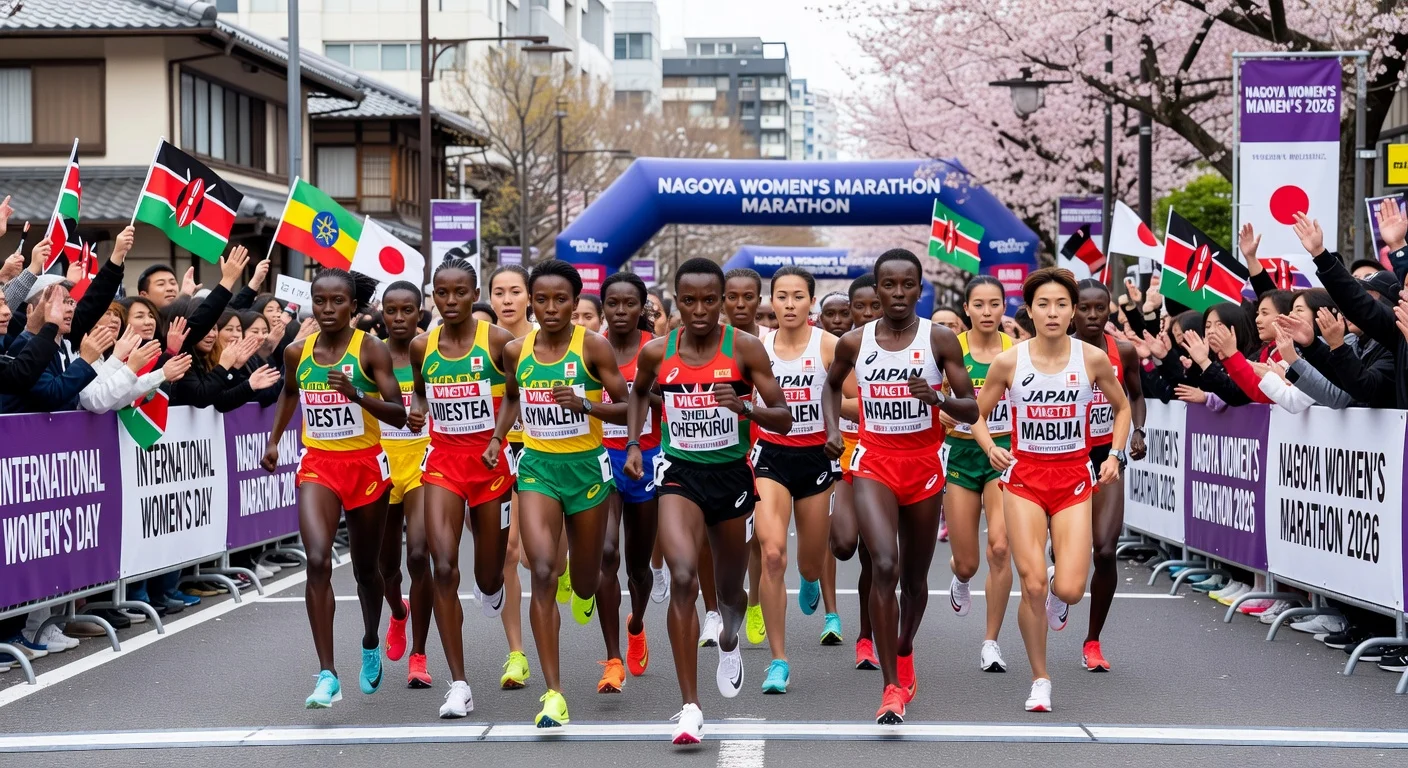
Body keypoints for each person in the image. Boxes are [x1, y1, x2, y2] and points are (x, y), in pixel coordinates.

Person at [622, 257, 792, 745]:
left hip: (733, 479)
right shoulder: (658, 352)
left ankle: (730, 638)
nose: (700, 309)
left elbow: (783, 418)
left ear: (722, 301)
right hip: (679, 475)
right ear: (677, 301)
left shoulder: (745, 349)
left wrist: (746, 408)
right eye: (689, 300)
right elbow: (638, 395)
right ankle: (690, 707)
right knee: (682, 576)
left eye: (709, 300)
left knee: (732, 592)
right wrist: (636, 443)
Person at [822, 249, 977, 725]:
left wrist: (940, 398)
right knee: (883, 564)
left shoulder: (940, 338)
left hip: (925, 466)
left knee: (913, 579)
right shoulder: (854, 341)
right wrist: (831, 430)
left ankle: (904, 645)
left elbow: (972, 409)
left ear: (919, 287)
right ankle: (890, 686)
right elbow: (830, 388)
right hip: (874, 461)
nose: (897, 294)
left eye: (907, 285)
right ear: (877, 287)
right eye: (888, 285)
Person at [970, 267, 1131, 713]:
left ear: (1073, 311)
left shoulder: (1092, 359)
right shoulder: (1009, 361)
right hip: (1023, 481)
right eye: (1044, 304)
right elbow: (975, 414)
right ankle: (1040, 678)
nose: (1053, 312)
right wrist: (989, 448)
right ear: (1030, 310)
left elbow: (1122, 409)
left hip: (1074, 480)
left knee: (1072, 589)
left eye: (1062, 304)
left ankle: (1062, 596)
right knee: (1034, 584)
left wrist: (1115, 454)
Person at [484, 259, 631, 728]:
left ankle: (584, 590)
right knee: (543, 570)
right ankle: (554, 693)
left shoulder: (594, 347)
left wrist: (585, 403)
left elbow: (629, 407)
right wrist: (495, 437)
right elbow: (511, 395)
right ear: (530, 299)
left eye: (561, 300)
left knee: (585, 580)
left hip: (586, 470)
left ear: (575, 301)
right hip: (538, 470)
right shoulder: (514, 350)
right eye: (542, 299)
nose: (550, 308)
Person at [261, 269, 408, 709]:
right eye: (319, 301)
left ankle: (368, 641)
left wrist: (357, 395)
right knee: (319, 560)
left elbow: (399, 414)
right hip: (319, 465)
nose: (327, 310)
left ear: (353, 306)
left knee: (367, 571)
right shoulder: (295, 351)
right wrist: (274, 441)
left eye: (337, 302)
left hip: (365, 466)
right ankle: (327, 673)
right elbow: (290, 392)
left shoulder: (371, 350)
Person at [410, 259, 517, 718]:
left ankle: (490, 587)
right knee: (444, 566)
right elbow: (418, 390)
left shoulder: (497, 342)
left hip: (490, 464)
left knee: (490, 574)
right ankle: (459, 683)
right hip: (443, 464)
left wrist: (497, 438)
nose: (450, 301)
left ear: (474, 294)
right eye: (441, 293)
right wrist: (417, 409)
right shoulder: (421, 345)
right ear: (433, 295)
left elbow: (516, 393)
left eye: (459, 293)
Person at [750, 266, 838, 693]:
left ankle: (808, 576)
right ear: (770, 301)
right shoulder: (757, 348)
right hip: (771, 457)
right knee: (771, 555)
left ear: (811, 302)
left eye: (797, 296)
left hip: (816, 457)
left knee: (810, 560)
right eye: (781, 296)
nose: (788, 304)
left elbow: (854, 399)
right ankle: (779, 661)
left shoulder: (830, 346)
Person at [940, 276, 1015, 673]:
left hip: (1003, 456)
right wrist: (942, 411)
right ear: (966, 308)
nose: (987, 312)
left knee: (1001, 548)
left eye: (995, 304)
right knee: (967, 561)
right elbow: (932, 402)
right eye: (979, 305)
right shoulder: (951, 349)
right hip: (960, 455)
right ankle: (960, 577)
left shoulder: (1016, 351)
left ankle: (991, 642)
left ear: (1005, 308)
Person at [1071, 278, 1146, 672]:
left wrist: (1137, 430)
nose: (1094, 316)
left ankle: (1093, 640)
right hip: (1061, 456)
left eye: (1101, 308)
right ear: (1071, 310)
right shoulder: (1053, 351)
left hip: (1107, 454)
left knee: (1104, 549)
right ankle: (1059, 589)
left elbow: (1135, 395)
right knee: (1064, 556)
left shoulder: (1125, 351)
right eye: (1085, 308)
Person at [594, 271, 663, 693]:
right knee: (606, 553)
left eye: (629, 304)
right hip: (601, 456)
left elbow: (677, 404)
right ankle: (613, 658)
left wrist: (641, 394)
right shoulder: (589, 348)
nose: (621, 311)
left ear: (643, 309)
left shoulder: (655, 352)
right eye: (613, 304)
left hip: (649, 458)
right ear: (604, 306)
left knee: (639, 567)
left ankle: (636, 623)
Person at [372, 281, 435, 691]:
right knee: (384, 566)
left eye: (406, 310)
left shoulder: (432, 349)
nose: (398, 318)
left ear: (419, 313)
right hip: (379, 461)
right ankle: (397, 611)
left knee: (418, 553)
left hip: (423, 460)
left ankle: (419, 653)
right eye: (391, 311)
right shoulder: (369, 352)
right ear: (381, 313)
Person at [829, 273, 882, 669]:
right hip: (845, 455)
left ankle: (866, 636)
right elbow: (831, 397)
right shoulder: (844, 349)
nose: (865, 314)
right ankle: (815, 568)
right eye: (858, 307)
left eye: (873, 306)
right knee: (845, 544)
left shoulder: (906, 347)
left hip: (887, 457)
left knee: (876, 556)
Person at [488, 264, 536, 689]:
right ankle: (516, 655)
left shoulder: (542, 343)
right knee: (508, 554)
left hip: (542, 453)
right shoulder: (482, 343)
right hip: (496, 452)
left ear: (529, 297)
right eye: (499, 292)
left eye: (515, 291)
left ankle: (566, 569)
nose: (506, 300)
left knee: (536, 559)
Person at [721, 266, 765, 647]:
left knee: (760, 539)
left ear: (759, 300)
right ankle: (721, 608)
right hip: (714, 451)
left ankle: (754, 604)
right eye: (732, 296)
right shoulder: (707, 342)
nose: (739, 304)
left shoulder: (770, 343)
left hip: (765, 449)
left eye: (748, 296)